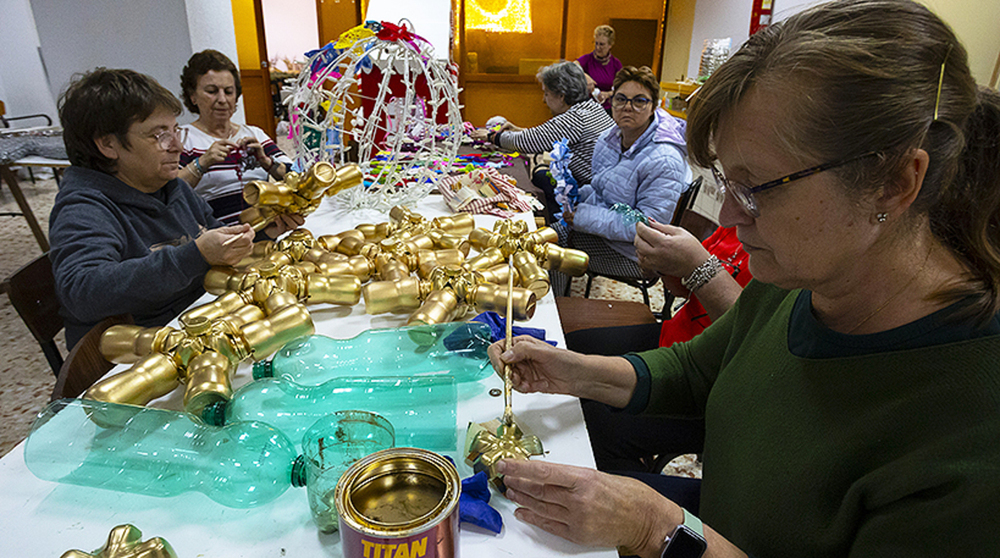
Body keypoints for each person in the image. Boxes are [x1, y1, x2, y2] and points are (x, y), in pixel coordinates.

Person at [487, 1, 1000, 556]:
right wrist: (575, 370)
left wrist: (653, 528)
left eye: (757, 188)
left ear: (895, 183)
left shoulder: (972, 434)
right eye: (728, 182)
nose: (729, 215)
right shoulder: (801, 276)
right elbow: (698, 367)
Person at [49, 68, 292, 350]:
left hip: (197, 323)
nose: (176, 146)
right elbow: (83, 291)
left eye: (174, 131)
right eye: (158, 135)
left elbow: (216, 243)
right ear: (108, 144)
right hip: (140, 357)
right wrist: (194, 255)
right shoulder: (84, 206)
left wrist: (263, 232)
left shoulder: (171, 186)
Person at [550, 66, 690, 295]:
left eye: (639, 101)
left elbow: (646, 225)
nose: (627, 107)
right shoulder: (609, 138)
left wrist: (583, 216)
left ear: (654, 106)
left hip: (637, 254)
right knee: (551, 234)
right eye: (621, 99)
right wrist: (577, 196)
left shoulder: (664, 158)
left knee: (551, 248)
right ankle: (556, 303)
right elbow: (601, 190)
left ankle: (555, 313)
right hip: (610, 238)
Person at [178, 49, 293, 225]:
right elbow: (167, 192)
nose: (222, 99)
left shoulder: (254, 134)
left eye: (229, 92)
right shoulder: (184, 139)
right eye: (212, 91)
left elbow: (296, 178)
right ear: (192, 96)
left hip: (265, 233)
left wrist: (266, 162)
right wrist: (202, 163)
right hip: (216, 239)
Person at [470, 61, 613, 200]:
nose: (544, 100)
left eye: (547, 94)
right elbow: (544, 137)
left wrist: (492, 137)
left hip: (596, 197)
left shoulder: (574, 119)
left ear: (561, 96)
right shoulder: (591, 109)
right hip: (603, 188)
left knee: (541, 176)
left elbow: (526, 142)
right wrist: (520, 130)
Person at [575, 25, 623, 112]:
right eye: (596, 43)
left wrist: (607, 94)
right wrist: (585, 76)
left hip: (607, 109)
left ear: (610, 45)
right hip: (586, 108)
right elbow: (572, 66)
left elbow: (621, 88)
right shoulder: (587, 59)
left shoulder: (616, 64)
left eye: (602, 44)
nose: (598, 47)